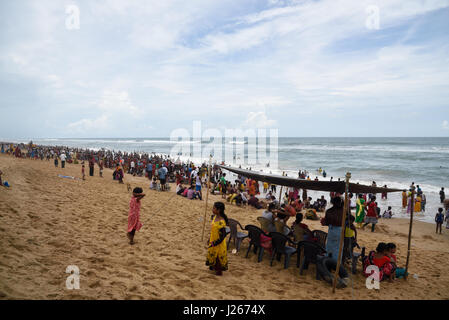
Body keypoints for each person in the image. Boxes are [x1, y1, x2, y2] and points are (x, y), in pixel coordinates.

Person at [206, 202, 229, 276]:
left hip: (219, 243)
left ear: (218, 210)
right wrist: (210, 239)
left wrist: (215, 243)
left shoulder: (221, 222)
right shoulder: (214, 217)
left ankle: (218, 272)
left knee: (218, 257)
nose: (212, 209)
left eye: (214, 208)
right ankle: (213, 267)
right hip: (213, 239)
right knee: (212, 255)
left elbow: (223, 236)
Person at [321, 196, 344, 260]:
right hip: (339, 229)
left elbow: (327, 222)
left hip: (332, 229)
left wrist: (324, 221)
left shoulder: (329, 211)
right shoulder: (343, 211)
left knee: (329, 247)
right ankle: (335, 263)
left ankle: (328, 261)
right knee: (338, 249)